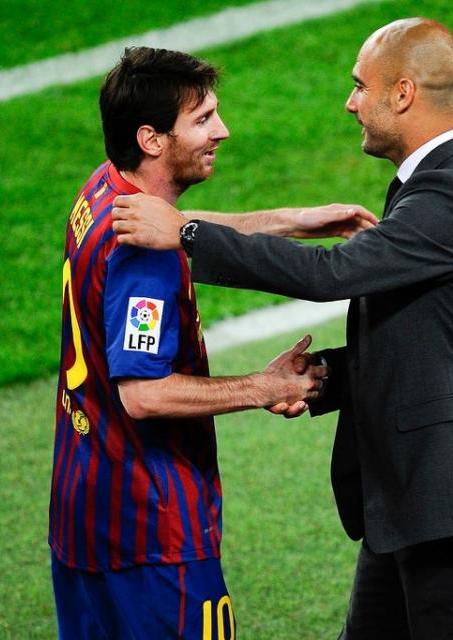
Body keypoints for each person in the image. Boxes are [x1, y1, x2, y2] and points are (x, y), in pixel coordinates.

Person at [109, 19, 453, 639]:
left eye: (360, 87)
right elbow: (431, 340)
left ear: (402, 94)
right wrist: (323, 380)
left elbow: (328, 274)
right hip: (415, 499)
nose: (350, 103)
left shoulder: (452, 197)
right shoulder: (431, 187)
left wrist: (184, 233)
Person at [50, 46, 374, 639]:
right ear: (151, 139)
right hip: (152, 533)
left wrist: (293, 220)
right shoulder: (143, 252)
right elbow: (143, 395)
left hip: (84, 513)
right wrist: (263, 386)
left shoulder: (104, 192)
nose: (221, 132)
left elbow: (180, 225)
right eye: (202, 120)